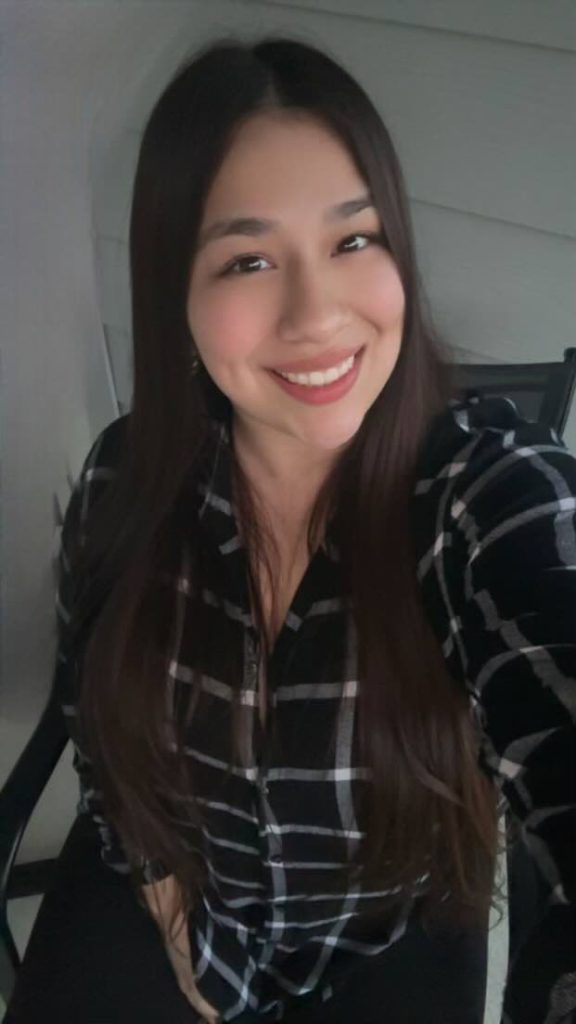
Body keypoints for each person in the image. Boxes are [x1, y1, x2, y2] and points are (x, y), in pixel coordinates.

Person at [7, 33, 575, 1024]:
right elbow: (98, 723)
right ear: (174, 293)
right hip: (171, 895)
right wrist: (174, 913)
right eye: (249, 258)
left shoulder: (475, 498)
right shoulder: (124, 478)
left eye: (355, 240)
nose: (317, 312)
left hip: (385, 937)